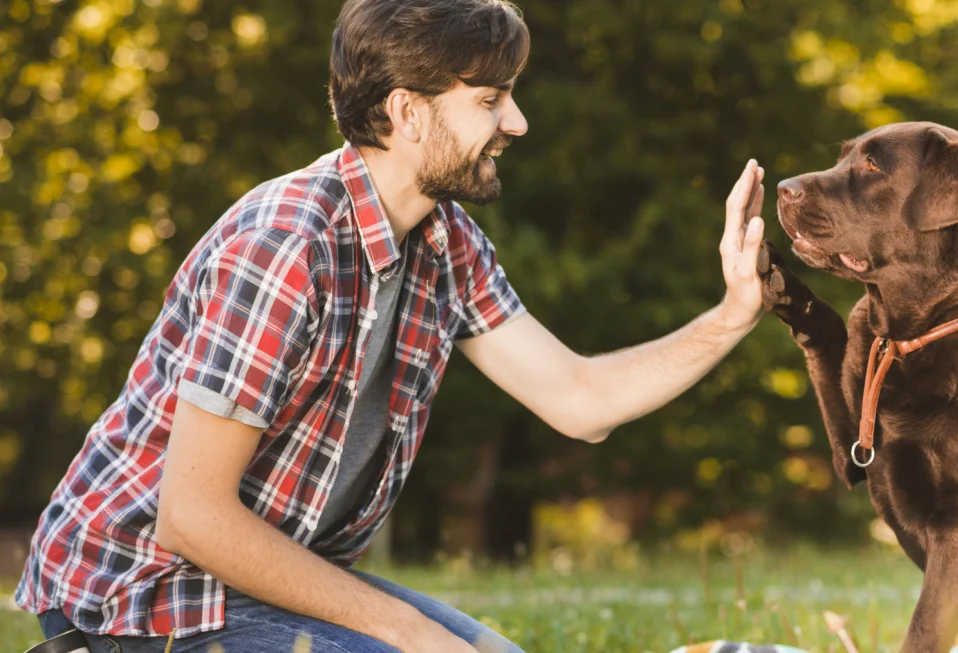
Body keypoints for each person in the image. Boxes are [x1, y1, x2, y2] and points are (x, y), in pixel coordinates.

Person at [16, 0, 768, 651]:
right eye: (489, 100)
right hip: (142, 596)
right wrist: (407, 631)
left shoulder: (446, 243)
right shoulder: (284, 245)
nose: (517, 121)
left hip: (253, 583)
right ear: (408, 112)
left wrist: (731, 314)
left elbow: (579, 398)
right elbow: (193, 516)